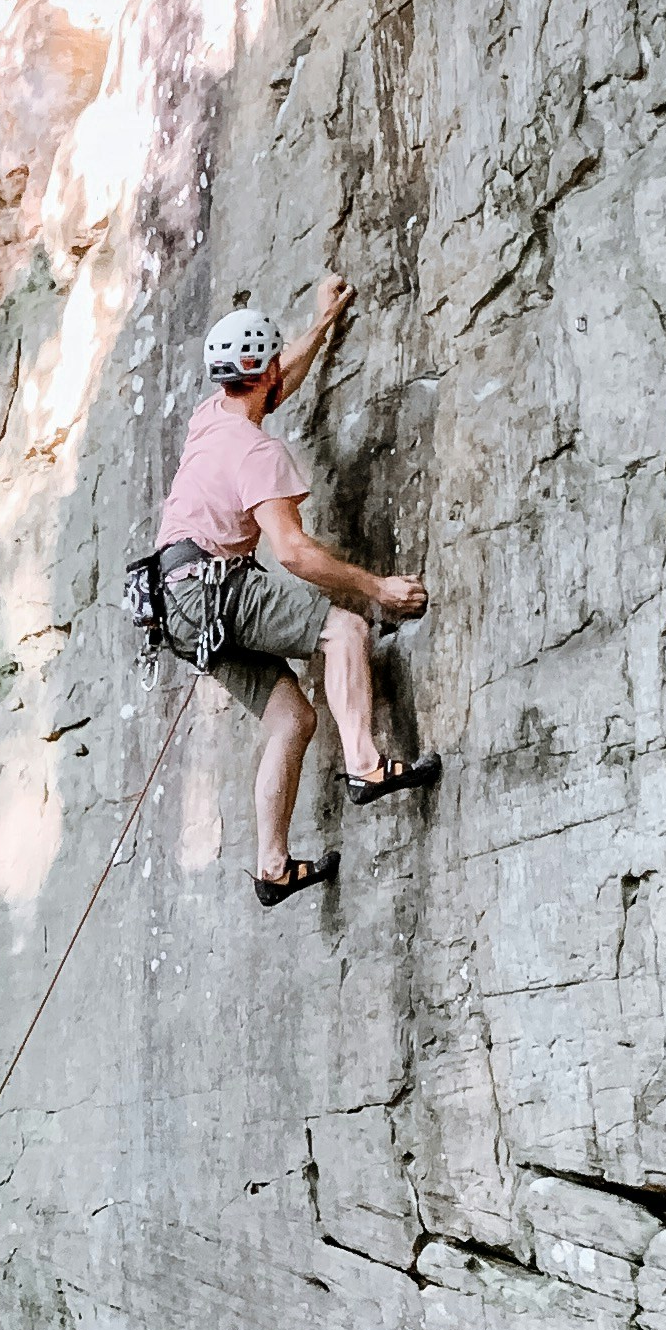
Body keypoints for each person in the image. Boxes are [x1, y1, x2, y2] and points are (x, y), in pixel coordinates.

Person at [152, 274, 438, 908]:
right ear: (265, 371)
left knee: (292, 717)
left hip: (173, 605)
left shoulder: (211, 418)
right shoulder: (257, 452)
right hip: (211, 589)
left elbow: (278, 380)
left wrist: (324, 322)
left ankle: (272, 867)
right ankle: (365, 765)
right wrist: (378, 589)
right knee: (345, 628)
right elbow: (293, 553)